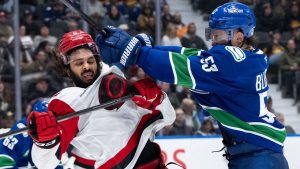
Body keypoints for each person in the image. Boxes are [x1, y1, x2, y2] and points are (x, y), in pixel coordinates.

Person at [95, 2, 289, 169]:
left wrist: (140, 54)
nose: (213, 41)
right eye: (211, 34)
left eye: (218, 35)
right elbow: (189, 54)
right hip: (255, 153)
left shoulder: (232, 60)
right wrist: (148, 49)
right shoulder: (243, 58)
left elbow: (182, 67)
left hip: (260, 157)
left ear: (238, 36)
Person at [26, 30, 175, 169]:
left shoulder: (116, 79)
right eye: (79, 63)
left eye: (90, 60)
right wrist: (45, 142)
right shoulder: (68, 102)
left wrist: (157, 99)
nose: (86, 67)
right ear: (67, 69)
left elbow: (169, 118)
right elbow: (44, 164)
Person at [0, 98, 65, 168]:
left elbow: (54, 164)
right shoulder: (21, 133)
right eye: (43, 121)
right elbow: (3, 162)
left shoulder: (57, 134)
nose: (48, 127)